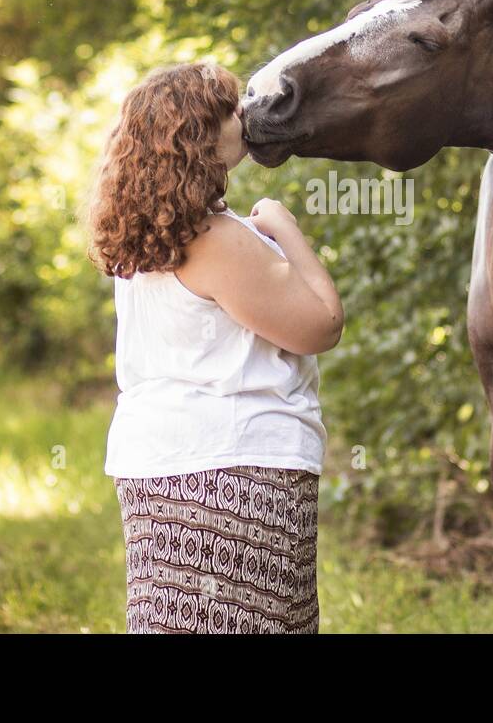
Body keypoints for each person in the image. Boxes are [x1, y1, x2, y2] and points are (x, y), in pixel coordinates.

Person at [86, 62, 343, 633]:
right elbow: (321, 324)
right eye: (229, 109)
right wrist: (285, 229)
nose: (244, 115)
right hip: (236, 463)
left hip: (155, 466)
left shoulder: (143, 236)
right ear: (197, 134)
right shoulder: (215, 240)